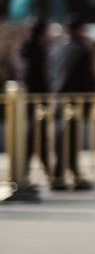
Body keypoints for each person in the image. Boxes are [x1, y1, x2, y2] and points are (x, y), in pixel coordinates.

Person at [47, 15, 95, 190]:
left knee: (61, 139)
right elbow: (86, 78)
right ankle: (68, 174)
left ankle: (60, 174)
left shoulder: (56, 48)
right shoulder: (80, 49)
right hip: (73, 100)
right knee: (71, 139)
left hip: (57, 98)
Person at [16, 18, 50, 180]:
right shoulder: (36, 50)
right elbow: (40, 76)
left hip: (29, 97)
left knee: (35, 133)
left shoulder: (26, 50)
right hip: (37, 98)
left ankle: (30, 168)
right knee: (37, 133)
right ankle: (44, 169)